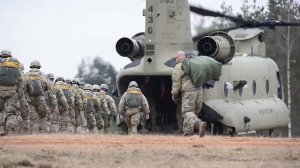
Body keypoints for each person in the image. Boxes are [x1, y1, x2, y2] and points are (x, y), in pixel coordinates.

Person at [171, 51, 207, 137]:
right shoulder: (194, 64)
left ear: (178, 57)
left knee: (187, 112)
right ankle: (188, 132)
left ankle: (199, 124)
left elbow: (176, 82)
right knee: (193, 112)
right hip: (199, 90)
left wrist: (174, 94)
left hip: (189, 91)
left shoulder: (179, 66)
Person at [0, 50, 23, 135]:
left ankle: (1, 129)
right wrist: (19, 90)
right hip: (12, 91)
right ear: (10, 56)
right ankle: (10, 130)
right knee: (11, 112)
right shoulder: (15, 64)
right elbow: (21, 80)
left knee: (0, 111)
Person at [27, 61, 54, 134]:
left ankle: (32, 133)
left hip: (29, 99)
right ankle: (42, 133)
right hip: (40, 99)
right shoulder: (42, 75)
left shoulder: (26, 74)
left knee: (32, 117)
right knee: (43, 115)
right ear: (39, 67)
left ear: (31, 66)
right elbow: (48, 87)